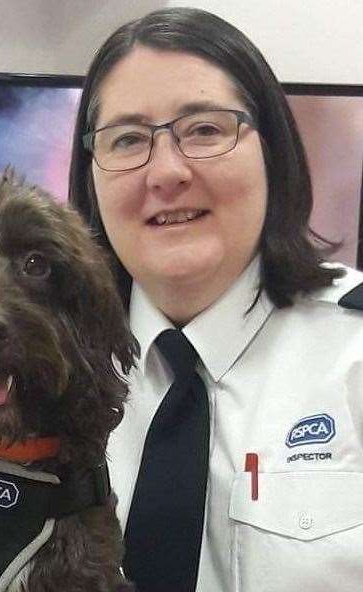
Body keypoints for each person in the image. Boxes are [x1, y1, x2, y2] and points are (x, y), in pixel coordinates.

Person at [68, 7, 363, 592]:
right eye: (127, 139)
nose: (166, 172)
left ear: (272, 152)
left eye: (205, 129)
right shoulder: (49, 367)